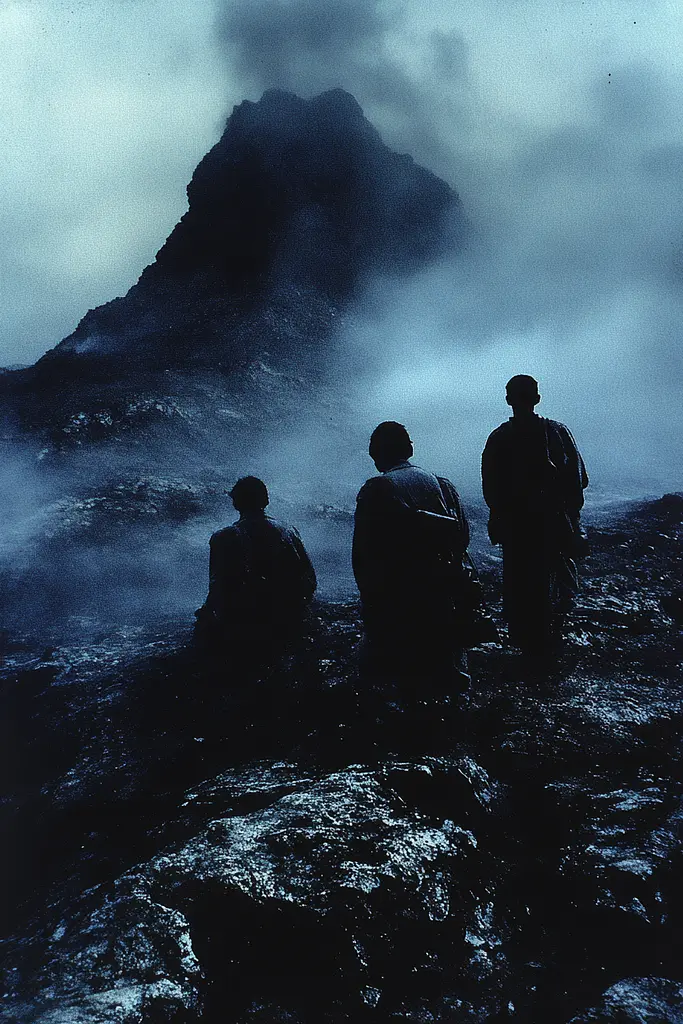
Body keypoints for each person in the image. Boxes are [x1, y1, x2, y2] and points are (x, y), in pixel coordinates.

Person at [352, 421, 471, 689]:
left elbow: (363, 553)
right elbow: (462, 536)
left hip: (398, 596)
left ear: (375, 453)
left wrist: (369, 599)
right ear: (409, 449)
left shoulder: (376, 489)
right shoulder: (443, 484)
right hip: (443, 592)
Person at [481, 375, 588, 656]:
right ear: (537, 398)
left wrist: (501, 517)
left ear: (508, 400)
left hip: (517, 528)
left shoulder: (499, 437)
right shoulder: (558, 432)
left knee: (519, 589)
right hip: (554, 523)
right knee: (558, 589)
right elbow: (579, 480)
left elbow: (491, 489)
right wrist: (572, 519)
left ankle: (526, 647)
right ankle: (553, 644)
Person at [195, 476, 317, 658]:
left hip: (250, 622)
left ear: (235, 503)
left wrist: (206, 617)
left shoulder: (225, 537)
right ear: (266, 500)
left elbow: (218, 587)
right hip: (291, 615)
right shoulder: (289, 531)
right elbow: (309, 578)